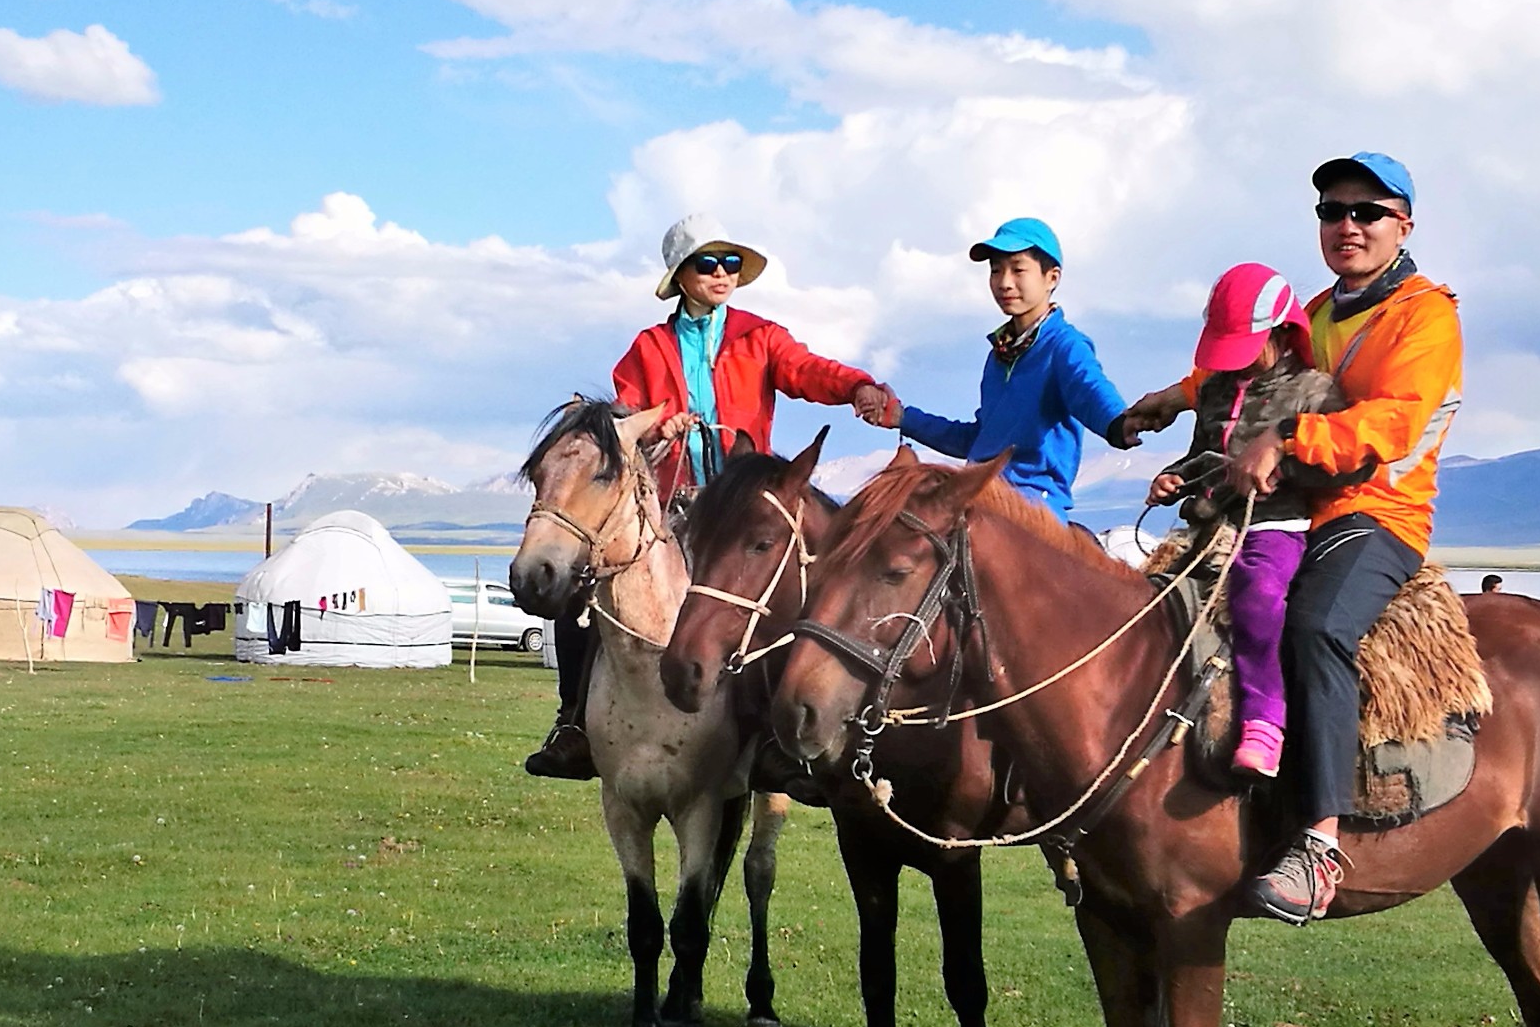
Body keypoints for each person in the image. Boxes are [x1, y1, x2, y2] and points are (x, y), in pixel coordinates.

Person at [526, 213, 888, 779]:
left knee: (789, 597)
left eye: (731, 263)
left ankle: (783, 735)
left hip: (742, 505)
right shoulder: (648, 347)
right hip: (671, 504)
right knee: (585, 584)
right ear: (681, 275)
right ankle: (573, 721)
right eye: (708, 263)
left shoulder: (760, 336)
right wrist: (657, 428)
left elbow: (806, 370)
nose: (723, 273)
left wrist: (856, 386)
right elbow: (624, 418)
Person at [1220, 152, 1462, 923]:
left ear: (1404, 225)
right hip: (1299, 507)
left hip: (1377, 513)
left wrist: (1287, 437)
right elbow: (1251, 365)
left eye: (1367, 212)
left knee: (1315, 626)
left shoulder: (1426, 316)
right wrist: (1166, 403)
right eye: (1332, 211)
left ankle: (1318, 847)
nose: (1347, 225)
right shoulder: (1319, 310)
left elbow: (1393, 423)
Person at [1144, 264, 1341, 779]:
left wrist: (1282, 468)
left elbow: (1343, 464)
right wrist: (1174, 480)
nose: (1236, 360)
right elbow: (1200, 457)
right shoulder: (1214, 390)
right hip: (1211, 529)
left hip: (1275, 525)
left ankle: (1264, 721)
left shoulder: (1313, 391)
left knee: (1257, 594)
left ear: (1280, 332)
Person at [857, 218, 1132, 520]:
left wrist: (1120, 422)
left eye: (1018, 269)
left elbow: (1089, 387)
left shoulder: (1064, 345)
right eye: (996, 270)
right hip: (982, 499)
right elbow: (980, 439)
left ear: (1051, 278)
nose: (1004, 282)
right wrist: (903, 418)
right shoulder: (1000, 354)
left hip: (1033, 508)